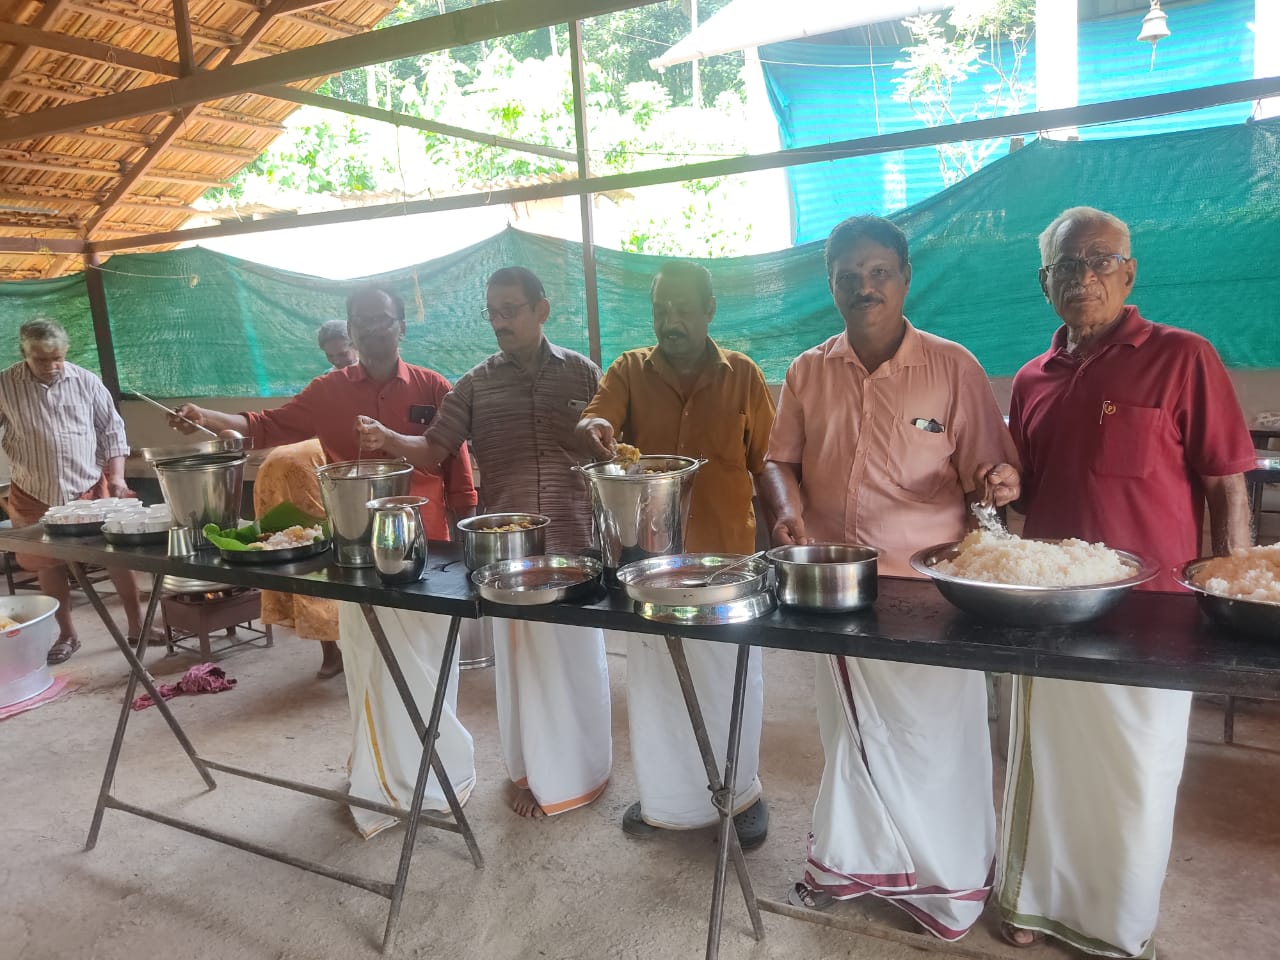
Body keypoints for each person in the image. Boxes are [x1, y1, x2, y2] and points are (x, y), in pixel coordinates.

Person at [981, 207, 1254, 956]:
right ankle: (1034, 906)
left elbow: (1227, 486)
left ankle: (1117, 928)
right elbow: (1029, 492)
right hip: (1056, 612)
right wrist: (1008, 483)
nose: (1085, 277)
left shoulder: (1182, 357)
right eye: (1067, 266)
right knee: (1048, 761)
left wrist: (1233, 610)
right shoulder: (1033, 378)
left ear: (1130, 272)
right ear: (1045, 284)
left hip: (1153, 618)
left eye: (1100, 260)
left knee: (1137, 777)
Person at [760, 215, 1016, 941]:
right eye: (848, 274)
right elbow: (779, 461)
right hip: (836, 587)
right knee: (848, 735)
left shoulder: (952, 366)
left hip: (927, 594)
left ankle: (947, 884)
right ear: (831, 283)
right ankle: (847, 866)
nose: (862, 286)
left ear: (904, 280)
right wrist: (785, 510)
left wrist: (999, 482)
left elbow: (990, 471)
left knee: (933, 740)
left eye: (878, 273)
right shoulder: (808, 370)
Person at [170, 286, 480, 838]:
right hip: (356, 552)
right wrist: (206, 417)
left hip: (429, 548)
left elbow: (455, 464)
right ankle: (381, 776)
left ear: (401, 326)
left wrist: (464, 532)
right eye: (362, 323)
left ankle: (440, 773)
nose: (373, 330)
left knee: (430, 661)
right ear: (352, 332)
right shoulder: (329, 391)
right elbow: (265, 426)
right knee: (371, 660)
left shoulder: (433, 386)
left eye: (383, 320)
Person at [356, 266, 611, 820]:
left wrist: (606, 444)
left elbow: (611, 450)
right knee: (524, 669)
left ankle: (588, 770)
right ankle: (532, 774)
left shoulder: (584, 374)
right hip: (513, 556)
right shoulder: (474, 385)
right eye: (491, 313)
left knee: (576, 661)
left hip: (574, 542)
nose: (499, 323)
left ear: (541, 310)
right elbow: (432, 450)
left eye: (510, 310)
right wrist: (389, 439)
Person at [576, 260, 775, 848]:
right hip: (653, 566)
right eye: (661, 309)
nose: (671, 320)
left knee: (731, 679)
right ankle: (669, 801)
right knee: (658, 682)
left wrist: (780, 536)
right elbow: (598, 414)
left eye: (683, 308)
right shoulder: (629, 371)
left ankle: (742, 797)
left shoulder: (743, 377)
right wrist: (593, 428)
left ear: (709, 310)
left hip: (727, 565)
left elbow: (768, 465)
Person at [0, 319, 157, 664]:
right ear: (24, 352)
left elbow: (112, 430)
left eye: (57, 357)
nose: (52, 366)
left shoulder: (85, 380)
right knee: (48, 565)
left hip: (88, 485)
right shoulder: (5, 384)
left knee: (117, 556)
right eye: (41, 359)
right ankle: (68, 635)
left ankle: (138, 625)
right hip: (33, 490)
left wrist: (116, 477)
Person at [253, 320, 359, 680]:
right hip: (316, 480)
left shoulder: (381, 376)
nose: (339, 362)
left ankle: (351, 649)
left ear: (356, 345)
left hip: (351, 478)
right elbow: (277, 422)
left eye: (343, 354)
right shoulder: (326, 387)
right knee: (317, 552)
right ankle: (332, 648)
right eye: (331, 357)